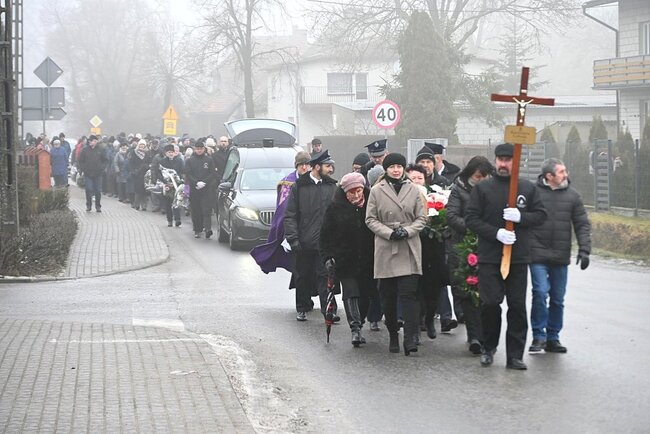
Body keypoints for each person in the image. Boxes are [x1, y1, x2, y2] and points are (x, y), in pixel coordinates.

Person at [465, 143, 547, 370]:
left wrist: (521, 217)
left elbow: (541, 215)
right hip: (490, 256)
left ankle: (515, 355)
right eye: (500, 159)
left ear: (515, 161)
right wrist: (496, 233)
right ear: (495, 161)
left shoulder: (527, 188)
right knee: (490, 304)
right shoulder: (483, 189)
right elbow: (471, 219)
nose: (503, 164)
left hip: (518, 257)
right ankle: (488, 347)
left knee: (517, 307)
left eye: (508, 160)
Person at [366, 153, 427, 355]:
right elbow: (370, 219)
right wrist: (389, 233)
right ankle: (393, 333)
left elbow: (422, 218)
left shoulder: (414, 189)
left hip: (409, 246)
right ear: (386, 169)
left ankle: (410, 339)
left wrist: (407, 231)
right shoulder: (376, 190)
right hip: (386, 247)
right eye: (392, 166)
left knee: (409, 295)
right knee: (388, 297)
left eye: (399, 166)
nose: (396, 170)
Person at [529, 158, 591, 354]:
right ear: (549, 176)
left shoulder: (573, 196)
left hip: (560, 255)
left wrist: (584, 250)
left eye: (565, 171)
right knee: (540, 293)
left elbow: (582, 224)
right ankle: (538, 336)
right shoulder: (533, 193)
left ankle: (553, 337)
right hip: (537, 253)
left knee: (557, 299)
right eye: (562, 172)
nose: (566, 175)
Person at [320, 172, 376, 347]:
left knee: (365, 295)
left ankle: (361, 321)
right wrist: (327, 257)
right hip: (344, 258)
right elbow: (325, 236)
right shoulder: (335, 208)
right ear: (345, 192)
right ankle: (355, 328)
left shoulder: (372, 205)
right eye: (352, 192)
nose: (356, 195)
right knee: (351, 292)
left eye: (359, 190)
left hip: (369, 259)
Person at [446, 155, 494, 354]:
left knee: (487, 294)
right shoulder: (459, 189)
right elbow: (451, 215)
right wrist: (473, 228)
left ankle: (484, 334)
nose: (481, 180)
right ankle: (474, 336)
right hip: (463, 245)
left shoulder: (494, 190)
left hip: (489, 246)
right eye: (478, 176)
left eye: (485, 177)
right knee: (467, 291)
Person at [284, 150, 338, 321]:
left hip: (325, 243)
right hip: (304, 242)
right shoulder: (299, 187)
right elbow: (290, 215)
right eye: (328, 166)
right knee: (303, 276)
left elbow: (337, 214)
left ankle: (328, 310)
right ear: (317, 167)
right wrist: (293, 239)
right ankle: (302, 307)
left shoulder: (332, 187)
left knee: (326, 276)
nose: (331, 170)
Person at [250, 151, 311, 274]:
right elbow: (283, 209)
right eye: (301, 165)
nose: (304, 167)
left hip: (310, 229)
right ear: (296, 166)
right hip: (294, 229)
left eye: (307, 164)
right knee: (298, 267)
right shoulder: (288, 183)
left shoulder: (315, 181)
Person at [185, 139, 217, 238]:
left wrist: (204, 182)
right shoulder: (190, 160)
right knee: (196, 210)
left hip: (206, 189)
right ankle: (197, 229)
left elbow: (212, 173)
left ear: (204, 149)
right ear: (195, 149)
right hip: (194, 188)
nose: (199, 150)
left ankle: (208, 229)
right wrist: (196, 182)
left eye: (201, 149)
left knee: (206, 209)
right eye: (197, 149)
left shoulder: (209, 160)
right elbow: (188, 174)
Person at [78, 135, 108, 212]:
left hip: (98, 174)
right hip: (88, 174)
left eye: (96, 141)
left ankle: (98, 206)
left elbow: (105, 160)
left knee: (98, 190)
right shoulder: (85, 150)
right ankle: (89, 205)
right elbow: (80, 161)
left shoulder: (101, 149)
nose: (95, 142)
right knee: (89, 189)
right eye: (94, 141)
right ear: (90, 141)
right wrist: (83, 169)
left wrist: (102, 168)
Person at [158, 144, 184, 227]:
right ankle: (169, 220)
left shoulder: (179, 160)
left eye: (172, 152)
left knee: (177, 201)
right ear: (166, 153)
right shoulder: (162, 162)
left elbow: (182, 171)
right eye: (169, 152)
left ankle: (177, 219)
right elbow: (159, 174)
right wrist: (165, 182)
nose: (171, 154)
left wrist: (179, 180)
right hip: (167, 185)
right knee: (168, 203)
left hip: (177, 184)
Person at [129, 139, 152, 211]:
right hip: (137, 174)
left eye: (143, 145)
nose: (142, 146)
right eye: (140, 144)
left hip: (145, 173)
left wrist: (147, 167)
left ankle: (144, 205)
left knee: (145, 190)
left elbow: (150, 162)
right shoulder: (134, 152)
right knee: (138, 190)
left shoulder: (148, 153)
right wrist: (133, 171)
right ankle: (137, 204)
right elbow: (131, 163)